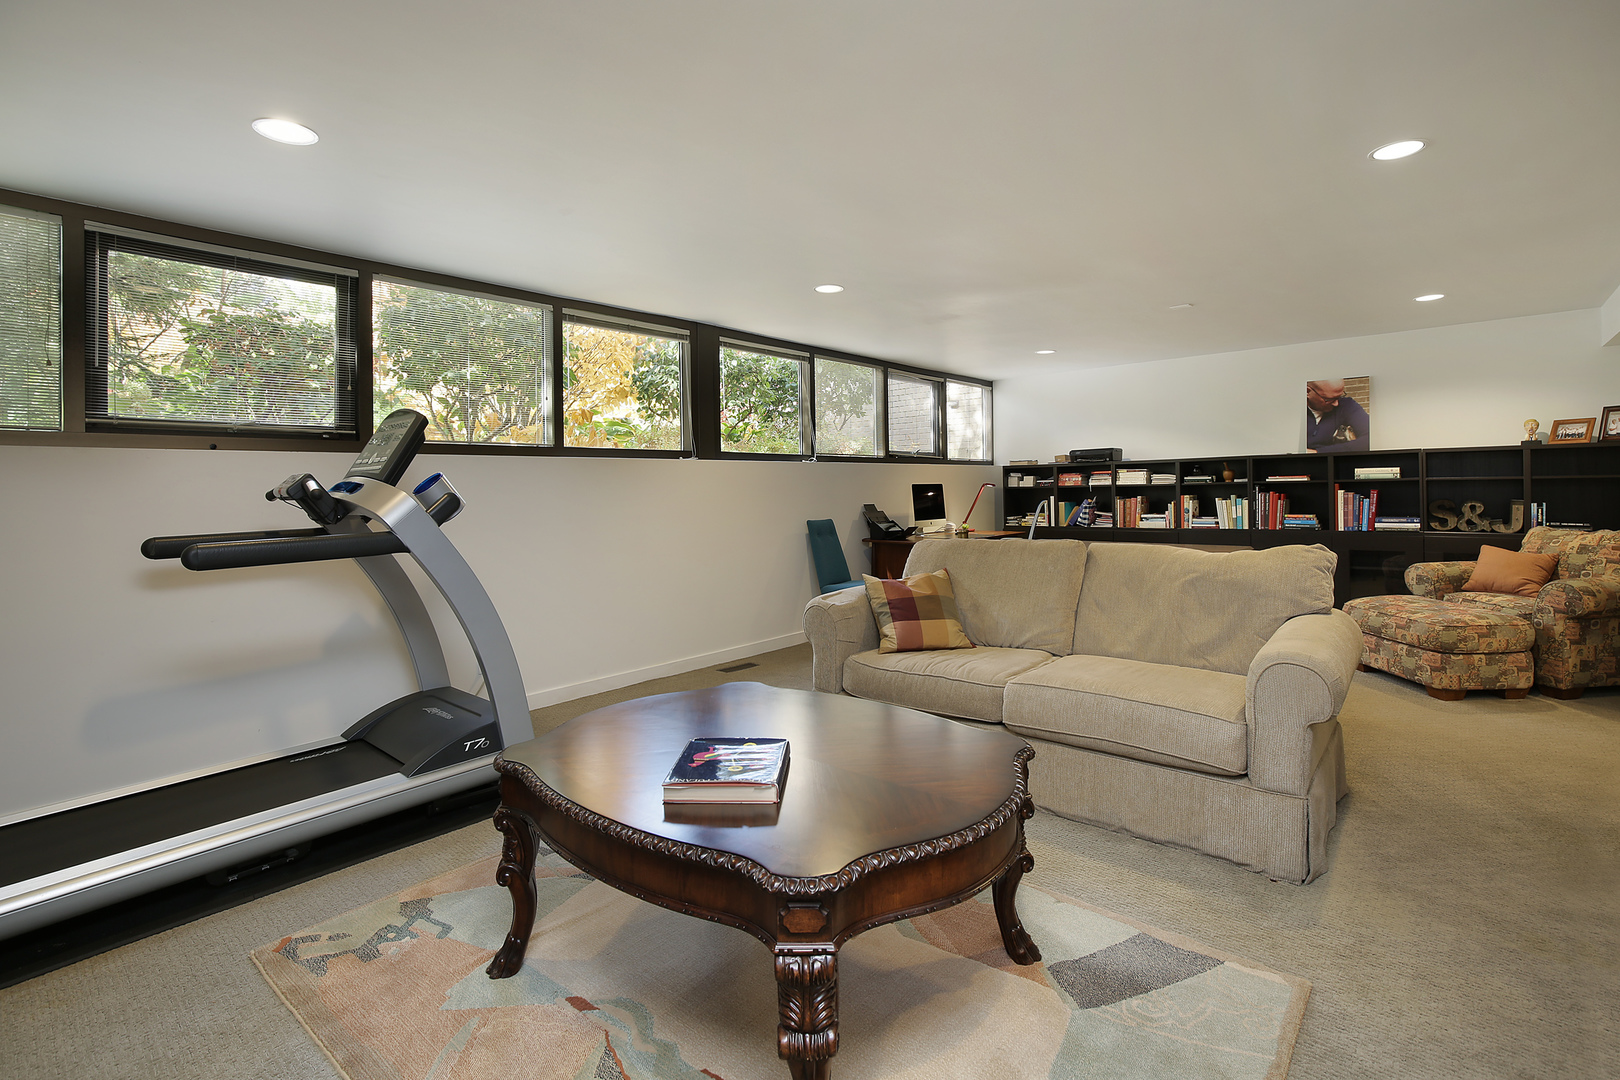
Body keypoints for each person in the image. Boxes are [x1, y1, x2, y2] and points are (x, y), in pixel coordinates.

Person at [1305, 379, 1369, 453]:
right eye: (1329, 399)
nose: (1336, 404)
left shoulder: (1346, 405)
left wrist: (1317, 453)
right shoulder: (1292, 411)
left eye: (1339, 396)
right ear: (1307, 392)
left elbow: (1372, 438)